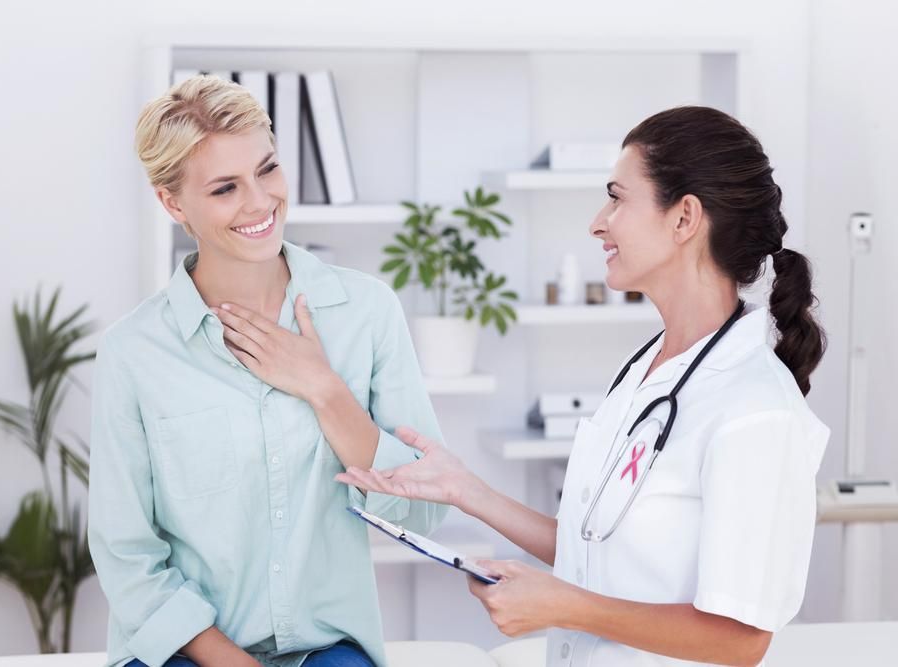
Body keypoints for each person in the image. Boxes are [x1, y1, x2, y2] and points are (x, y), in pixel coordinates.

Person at [338, 106, 830, 667]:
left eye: (618, 198)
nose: (599, 222)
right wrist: (466, 492)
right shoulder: (648, 366)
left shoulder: (755, 409)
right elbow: (595, 545)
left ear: (684, 218)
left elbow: (740, 638)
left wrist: (564, 607)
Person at [88, 75, 447, 667]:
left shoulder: (366, 313)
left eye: (268, 169)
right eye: (226, 188)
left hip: (326, 648)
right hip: (187, 651)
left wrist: (324, 389)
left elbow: (425, 510)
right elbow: (126, 552)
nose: (260, 202)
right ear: (173, 203)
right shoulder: (135, 351)